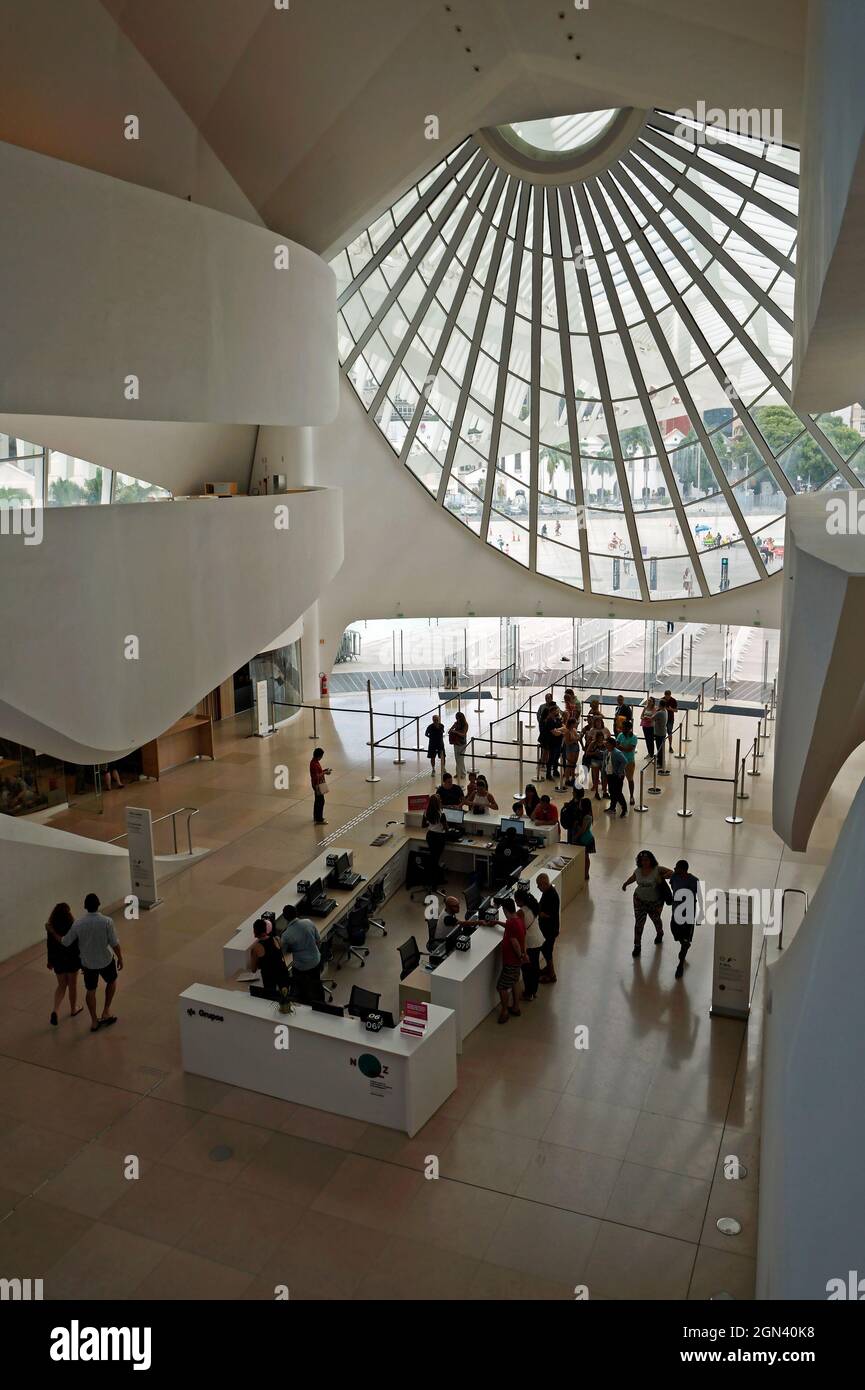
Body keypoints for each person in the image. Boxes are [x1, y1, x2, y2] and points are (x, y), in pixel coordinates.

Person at [59, 893, 123, 1033]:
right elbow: (114, 943)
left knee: (91, 990)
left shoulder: (78, 923)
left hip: (88, 964)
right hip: (106, 960)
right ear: (98, 904)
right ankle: (106, 1011)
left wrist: (52, 931)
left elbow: (65, 942)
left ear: (85, 907)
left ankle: (94, 1021)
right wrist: (120, 958)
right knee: (111, 981)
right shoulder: (107, 921)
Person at [622, 851, 674, 957]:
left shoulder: (657, 869)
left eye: (646, 860)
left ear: (651, 860)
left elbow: (671, 873)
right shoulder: (638, 871)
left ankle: (660, 933)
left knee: (656, 920)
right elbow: (633, 877)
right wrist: (626, 883)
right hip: (639, 901)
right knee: (639, 924)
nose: (644, 862)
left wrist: (662, 877)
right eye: (642, 860)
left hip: (654, 903)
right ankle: (637, 946)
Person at [45, 902, 83, 1027]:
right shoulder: (73, 925)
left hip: (58, 960)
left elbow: (49, 946)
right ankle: (73, 1009)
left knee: (61, 985)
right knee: (72, 985)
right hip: (72, 959)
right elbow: (77, 945)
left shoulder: (51, 927)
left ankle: (55, 1010)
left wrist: (50, 961)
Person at [279, 904, 325, 1004]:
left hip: (301, 967)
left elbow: (283, 952)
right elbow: (318, 940)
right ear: (296, 913)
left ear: (285, 917)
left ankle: (304, 1000)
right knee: (316, 983)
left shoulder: (286, 935)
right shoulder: (308, 922)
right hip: (316, 960)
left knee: (299, 985)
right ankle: (320, 1001)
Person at [670, 859, 702, 978]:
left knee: (685, 940)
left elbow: (699, 897)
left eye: (677, 867)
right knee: (674, 932)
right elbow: (673, 888)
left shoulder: (694, 881)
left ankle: (680, 965)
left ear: (683, 869)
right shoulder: (674, 877)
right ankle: (684, 943)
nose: (674, 869)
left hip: (688, 915)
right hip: (676, 912)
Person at [496, 897, 526, 1023]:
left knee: (502, 987)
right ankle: (516, 1007)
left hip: (511, 961)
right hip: (516, 961)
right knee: (514, 981)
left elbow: (514, 943)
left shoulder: (512, 924)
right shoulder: (517, 920)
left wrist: (520, 955)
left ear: (505, 909)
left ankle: (504, 1011)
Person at [248, 918, 291, 993]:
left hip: (269, 977)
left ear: (255, 931)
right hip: (282, 972)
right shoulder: (276, 939)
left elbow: (253, 969)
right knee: (285, 996)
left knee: (270, 997)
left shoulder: (256, 948)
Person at [515, 887, 543, 1001]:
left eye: (516, 900)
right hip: (538, 939)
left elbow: (520, 930)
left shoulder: (521, 912)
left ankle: (528, 993)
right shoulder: (532, 906)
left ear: (520, 900)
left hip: (530, 943)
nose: (516, 903)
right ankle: (534, 991)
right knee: (535, 967)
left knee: (527, 969)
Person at [536, 873, 560, 982]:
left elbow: (548, 914)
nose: (538, 887)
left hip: (550, 929)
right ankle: (548, 969)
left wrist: (538, 912)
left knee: (547, 951)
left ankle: (552, 975)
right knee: (546, 950)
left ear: (545, 884)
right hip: (547, 928)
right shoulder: (547, 892)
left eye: (539, 885)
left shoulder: (552, 896)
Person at [603, 736, 628, 817]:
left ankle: (624, 808)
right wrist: (604, 771)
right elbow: (605, 762)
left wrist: (619, 772)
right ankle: (612, 807)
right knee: (611, 791)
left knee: (618, 793)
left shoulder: (617, 753)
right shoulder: (606, 752)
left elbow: (624, 761)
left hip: (617, 776)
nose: (606, 745)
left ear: (612, 745)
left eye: (607, 743)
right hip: (609, 774)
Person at [582, 716, 607, 800]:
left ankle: (604, 790)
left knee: (604, 776)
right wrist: (594, 752)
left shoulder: (605, 743)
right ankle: (596, 789)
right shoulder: (593, 742)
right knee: (595, 776)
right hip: (595, 760)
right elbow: (587, 752)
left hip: (603, 761)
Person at [616, 718, 638, 806]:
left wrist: (621, 747)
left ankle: (631, 796)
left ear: (629, 728)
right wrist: (622, 748)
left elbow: (629, 749)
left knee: (630, 779)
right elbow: (617, 745)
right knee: (619, 779)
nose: (622, 729)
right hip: (620, 761)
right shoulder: (620, 735)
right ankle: (619, 796)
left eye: (624, 727)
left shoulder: (634, 737)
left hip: (629, 761)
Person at [310, 747, 331, 825]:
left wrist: (324, 770)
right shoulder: (314, 764)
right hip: (317, 785)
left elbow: (318, 773)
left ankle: (316, 816)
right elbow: (316, 776)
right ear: (319, 756)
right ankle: (319, 819)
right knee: (321, 801)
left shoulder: (314, 762)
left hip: (316, 784)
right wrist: (325, 773)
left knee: (317, 801)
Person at [561, 717, 582, 789]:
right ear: (571, 724)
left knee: (573, 764)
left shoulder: (574, 730)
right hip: (570, 748)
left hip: (576, 747)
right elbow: (567, 743)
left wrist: (577, 738)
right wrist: (575, 739)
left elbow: (577, 738)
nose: (576, 724)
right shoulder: (567, 731)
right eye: (575, 723)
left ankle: (573, 778)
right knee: (569, 764)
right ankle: (567, 779)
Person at [448, 711, 468, 781]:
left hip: (462, 744)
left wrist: (455, 732)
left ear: (461, 718)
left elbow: (463, 734)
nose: (457, 719)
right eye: (456, 718)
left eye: (458, 718)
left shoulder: (465, 724)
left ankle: (463, 773)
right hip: (456, 743)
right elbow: (449, 730)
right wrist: (452, 730)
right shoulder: (456, 723)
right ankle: (458, 773)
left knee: (461, 759)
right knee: (457, 759)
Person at [652, 701, 669, 770]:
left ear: (660, 705)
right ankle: (659, 761)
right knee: (661, 748)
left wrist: (656, 710)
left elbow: (652, 718)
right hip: (663, 732)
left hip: (659, 733)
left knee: (659, 748)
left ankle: (660, 764)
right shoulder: (665, 711)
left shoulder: (660, 713)